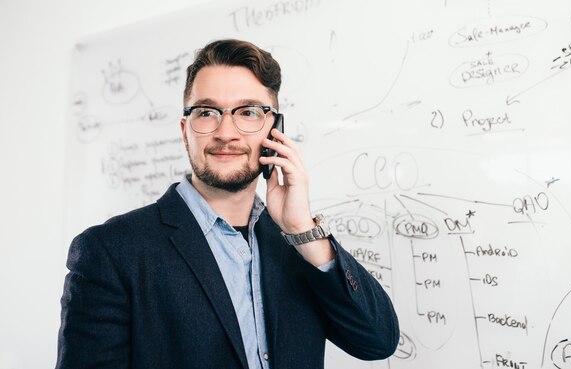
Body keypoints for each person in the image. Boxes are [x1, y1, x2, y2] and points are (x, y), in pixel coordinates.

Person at [56, 39, 399, 369]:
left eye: (248, 112)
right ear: (184, 130)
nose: (226, 132)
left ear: (275, 130)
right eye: (207, 112)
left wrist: (302, 230)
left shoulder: (296, 245)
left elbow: (377, 342)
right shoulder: (111, 251)